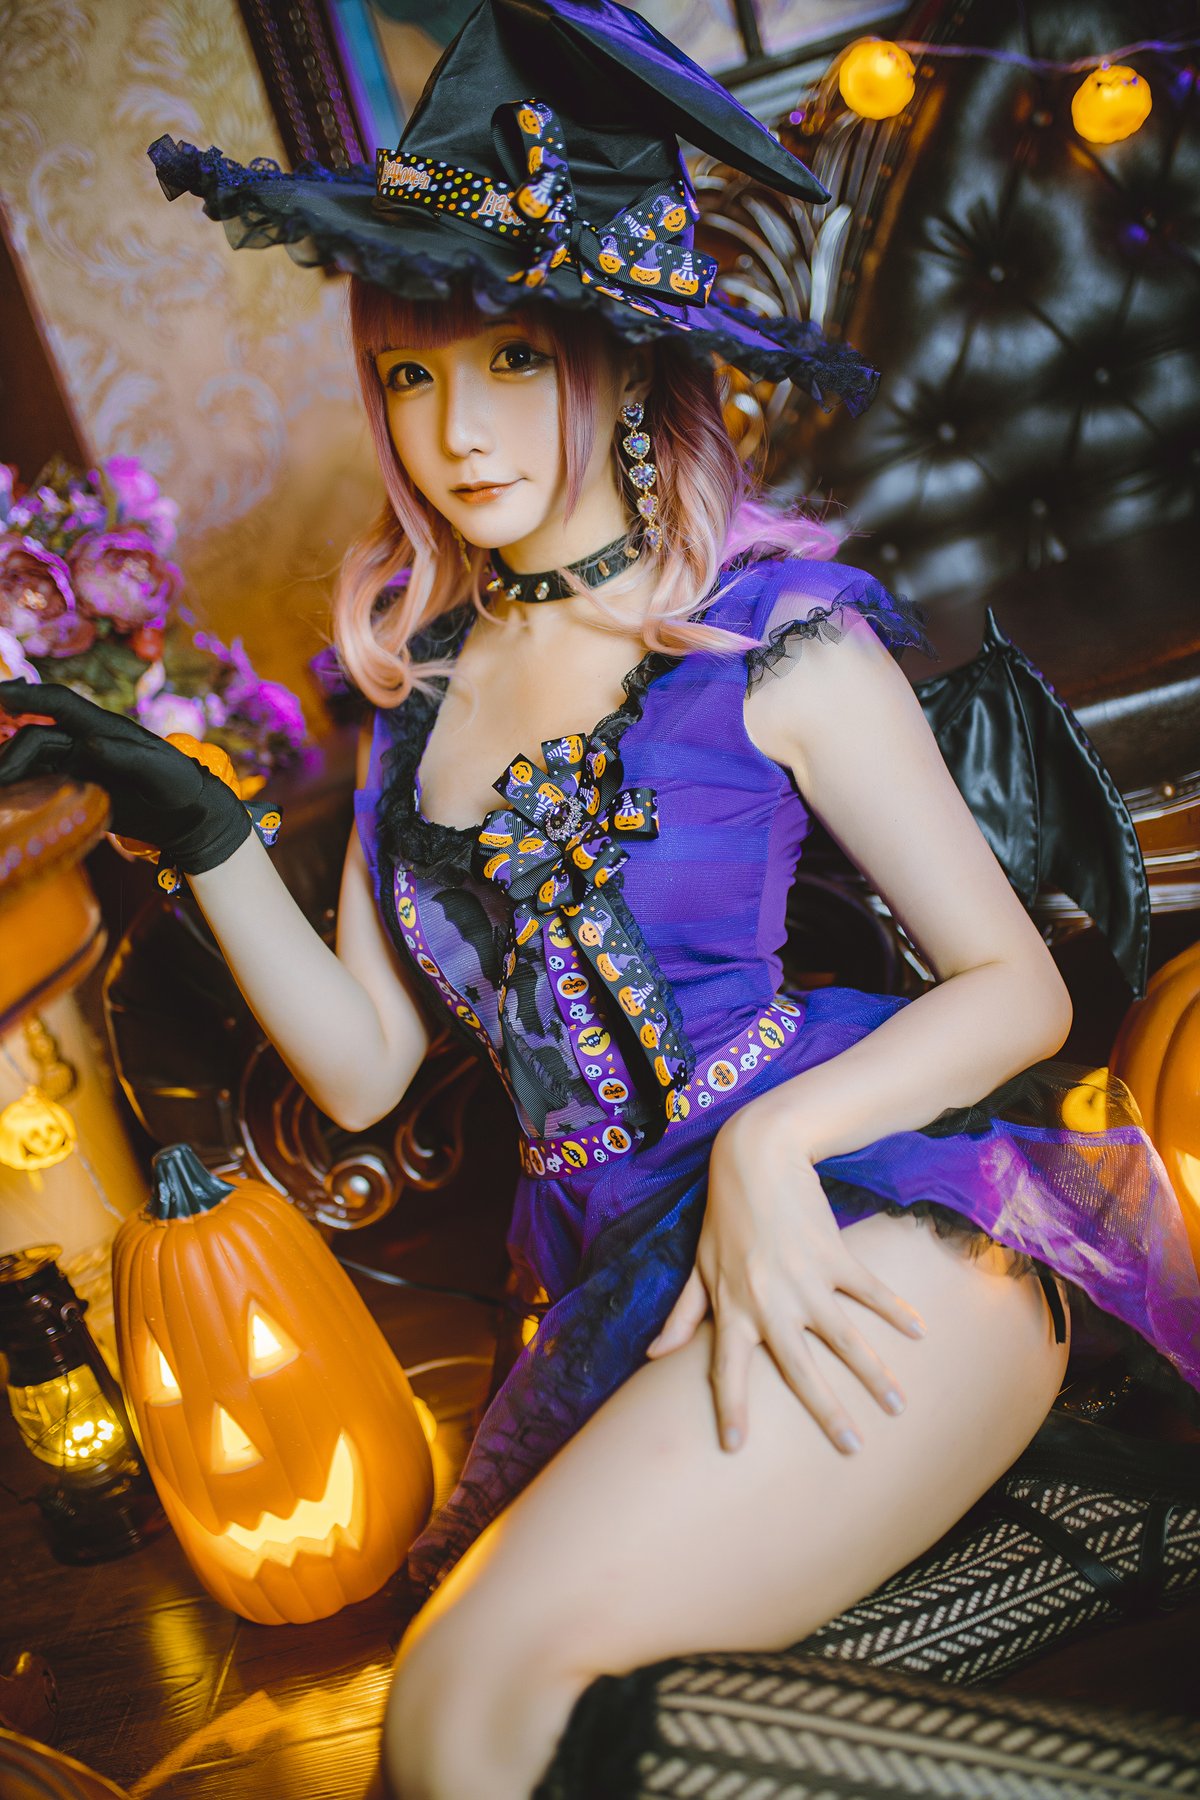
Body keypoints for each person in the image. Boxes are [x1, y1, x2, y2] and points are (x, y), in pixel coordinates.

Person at [2, 3, 1198, 1795]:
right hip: (608, 1295)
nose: (456, 432)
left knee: (464, 1714)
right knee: (472, 1722)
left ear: (626, 362)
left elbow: (1015, 990)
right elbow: (361, 1074)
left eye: (509, 358)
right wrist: (201, 827)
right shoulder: (414, 709)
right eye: (410, 377)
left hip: (873, 1226)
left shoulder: (773, 641)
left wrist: (769, 1150)